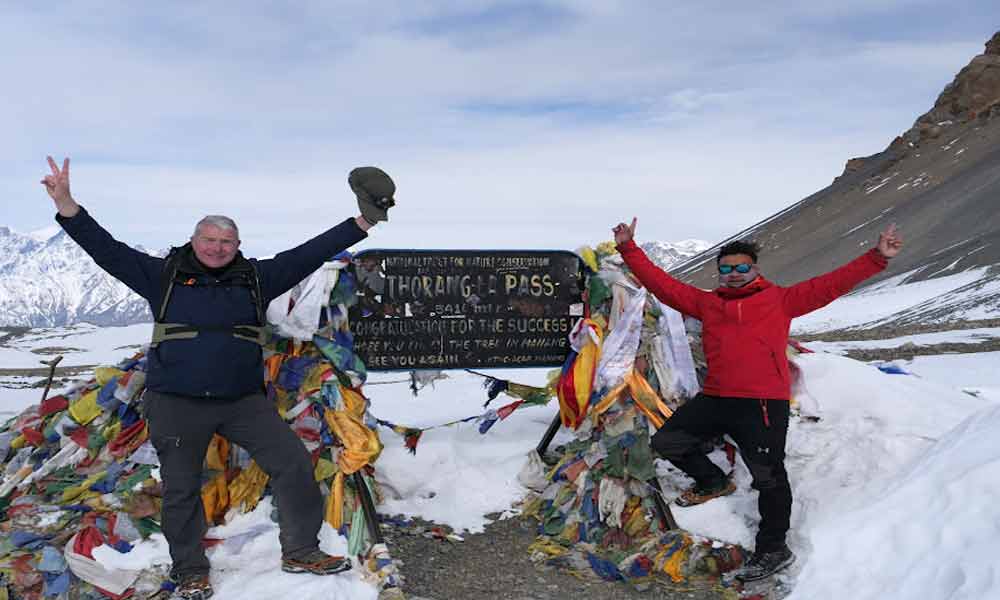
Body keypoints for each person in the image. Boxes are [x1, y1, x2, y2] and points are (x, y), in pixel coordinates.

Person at [41, 156, 394, 600]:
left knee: (292, 463)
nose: (217, 247)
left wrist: (363, 221)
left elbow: (310, 253)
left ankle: (301, 549)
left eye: (227, 241)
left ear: (238, 244)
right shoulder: (162, 276)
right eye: (209, 239)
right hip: (176, 401)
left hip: (241, 401)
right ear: (194, 240)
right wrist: (67, 204)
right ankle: (190, 570)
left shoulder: (256, 278)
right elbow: (106, 249)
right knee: (182, 488)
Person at [612, 218, 902, 582]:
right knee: (668, 441)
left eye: (741, 268)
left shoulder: (781, 300)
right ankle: (713, 481)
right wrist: (629, 248)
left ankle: (773, 548)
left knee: (769, 478)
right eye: (727, 269)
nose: (733, 274)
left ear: (755, 269)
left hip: (763, 404)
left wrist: (878, 257)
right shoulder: (708, 304)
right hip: (716, 398)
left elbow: (831, 284)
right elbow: (663, 285)